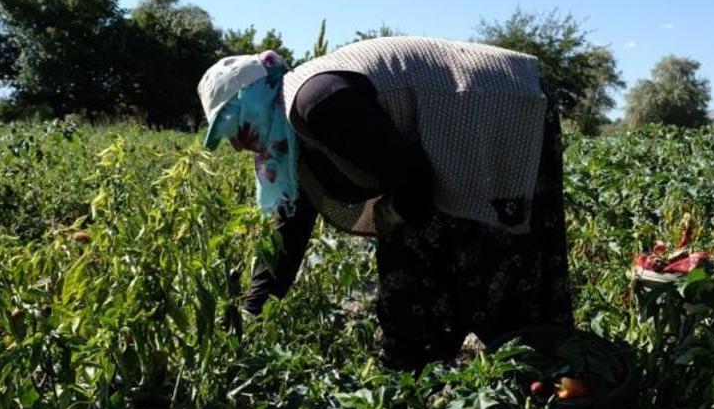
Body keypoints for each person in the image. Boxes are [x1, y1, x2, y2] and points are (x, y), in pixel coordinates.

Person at [197, 36, 573, 370]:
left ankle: (535, 366)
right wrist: (251, 315)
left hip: (499, 106)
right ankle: (431, 366)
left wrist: (391, 216)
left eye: (232, 125)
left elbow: (411, 177)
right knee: (420, 261)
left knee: (486, 254)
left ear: (255, 100)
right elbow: (289, 232)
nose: (236, 144)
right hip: (462, 123)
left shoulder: (316, 104)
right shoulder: (290, 139)